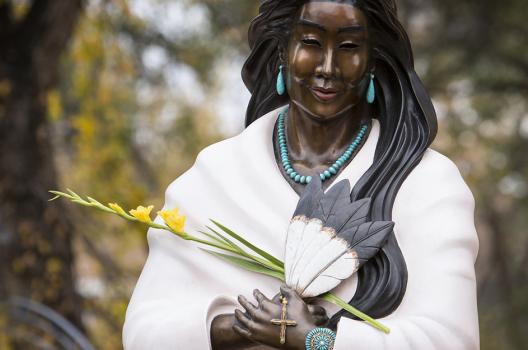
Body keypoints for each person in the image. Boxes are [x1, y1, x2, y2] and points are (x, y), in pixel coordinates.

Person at [122, 0, 479, 349]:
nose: (327, 66)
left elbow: (450, 340)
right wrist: (243, 326)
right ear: (281, 51)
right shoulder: (211, 178)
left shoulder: (427, 184)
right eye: (310, 42)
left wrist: (314, 340)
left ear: (372, 61)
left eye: (349, 47)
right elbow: (145, 332)